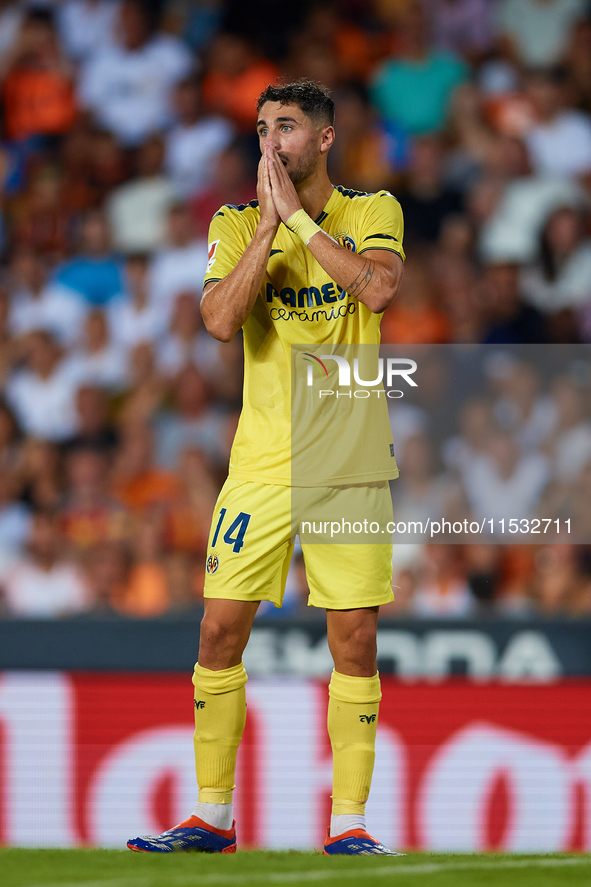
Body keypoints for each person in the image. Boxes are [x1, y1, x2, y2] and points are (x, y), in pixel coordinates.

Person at [127, 79, 405, 856]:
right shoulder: (233, 220)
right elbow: (218, 320)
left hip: (347, 464)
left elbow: (378, 291)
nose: (269, 140)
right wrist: (268, 231)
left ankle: (348, 823)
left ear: (322, 137)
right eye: (260, 127)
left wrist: (301, 224)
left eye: (285, 126)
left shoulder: (372, 209)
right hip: (260, 464)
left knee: (352, 640)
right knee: (218, 631)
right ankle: (212, 815)